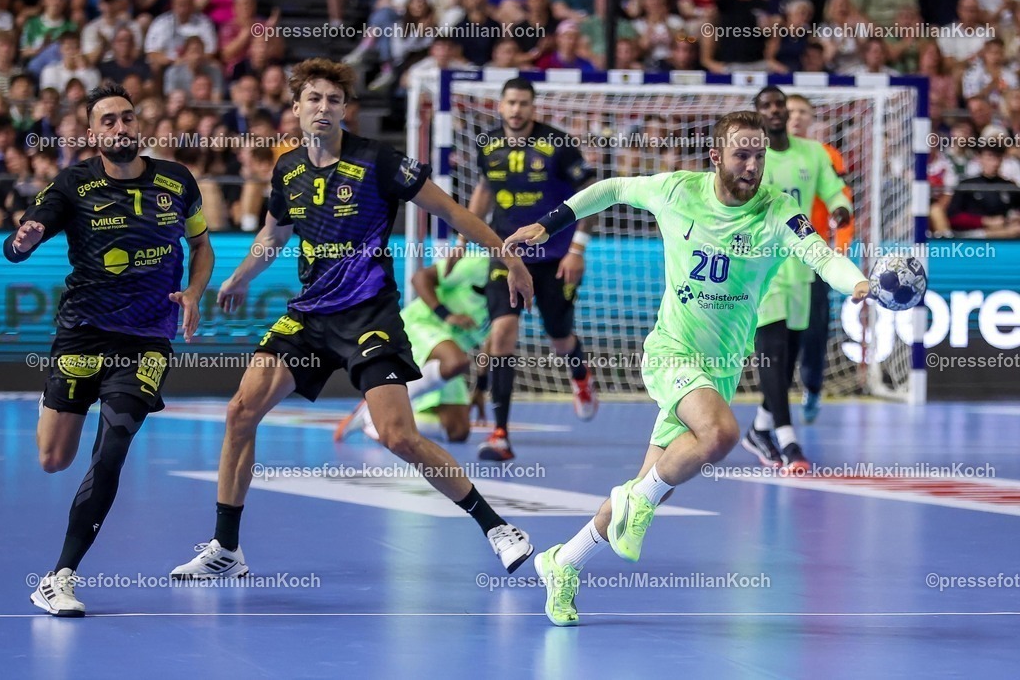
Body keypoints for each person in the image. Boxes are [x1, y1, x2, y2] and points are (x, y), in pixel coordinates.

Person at [170, 59, 537, 582]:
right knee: (240, 411)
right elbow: (274, 237)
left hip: (369, 313)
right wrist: (240, 277)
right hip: (311, 313)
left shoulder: (379, 162)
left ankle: (498, 528)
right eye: (314, 99)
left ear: (346, 111)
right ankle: (226, 549)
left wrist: (511, 257)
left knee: (398, 437)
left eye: (334, 101)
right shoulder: (287, 169)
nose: (324, 108)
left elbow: (454, 213)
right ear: (296, 108)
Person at [503, 110, 870, 626]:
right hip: (672, 351)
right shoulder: (676, 190)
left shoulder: (777, 211)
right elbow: (608, 188)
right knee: (719, 434)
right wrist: (548, 224)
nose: (753, 164)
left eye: (760, 155)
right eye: (742, 153)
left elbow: (820, 255)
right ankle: (637, 500)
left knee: (650, 483)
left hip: (719, 369)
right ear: (716, 156)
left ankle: (563, 561)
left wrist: (857, 284)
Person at [3, 83, 215, 616]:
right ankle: (60, 403)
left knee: (113, 446)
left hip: (147, 339)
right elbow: (22, 240)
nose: (121, 128)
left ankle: (59, 576)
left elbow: (201, 245)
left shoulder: (176, 180)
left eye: (127, 118)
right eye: (109, 121)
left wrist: (193, 292)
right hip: (83, 333)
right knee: (54, 459)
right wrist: (22, 240)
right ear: (94, 133)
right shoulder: (72, 185)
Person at [468, 77, 597, 462]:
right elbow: (485, 188)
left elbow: (590, 193)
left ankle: (581, 377)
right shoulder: (487, 145)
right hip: (507, 255)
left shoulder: (558, 145)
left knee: (559, 336)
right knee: (503, 331)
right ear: (500, 106)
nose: (516, 110)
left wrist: (577, 249)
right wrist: (462, 238)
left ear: (532, 107)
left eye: (523, 103)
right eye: (510, 102)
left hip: (555, 257)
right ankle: (501, 433)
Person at [743, 86, 851, 471]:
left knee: (787, 355)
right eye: (766, 106)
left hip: (803, 263)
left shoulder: (813, 154)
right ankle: (788, 441)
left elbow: (835, 191)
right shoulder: (752, 158)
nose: (774, 110)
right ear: (758, 114)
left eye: (779, 104)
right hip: (762, 266)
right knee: (771, 350)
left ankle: (759, 427)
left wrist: (839, 211)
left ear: (786, 110)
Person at [336, 250, 491, 444]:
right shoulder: (478, 264)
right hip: (420, 325)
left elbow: (493, 344)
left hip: (448, 349)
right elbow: (420, 278)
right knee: (456, 362)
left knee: (458, 431)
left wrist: (480, 389)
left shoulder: (515, 299)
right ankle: (383, 406)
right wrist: (447, 315)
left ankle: (373, 418)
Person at [785, 93, 855, 423]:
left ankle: (811, 386)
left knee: (814, 330)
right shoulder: (762, 154)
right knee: (770, 331)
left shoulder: (824, 155)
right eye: (790, 111)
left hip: (812, 256)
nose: (795, 117)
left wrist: (840, 249)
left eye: (802, 112)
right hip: (770, 256)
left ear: (812, 119)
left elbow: (840, 200)